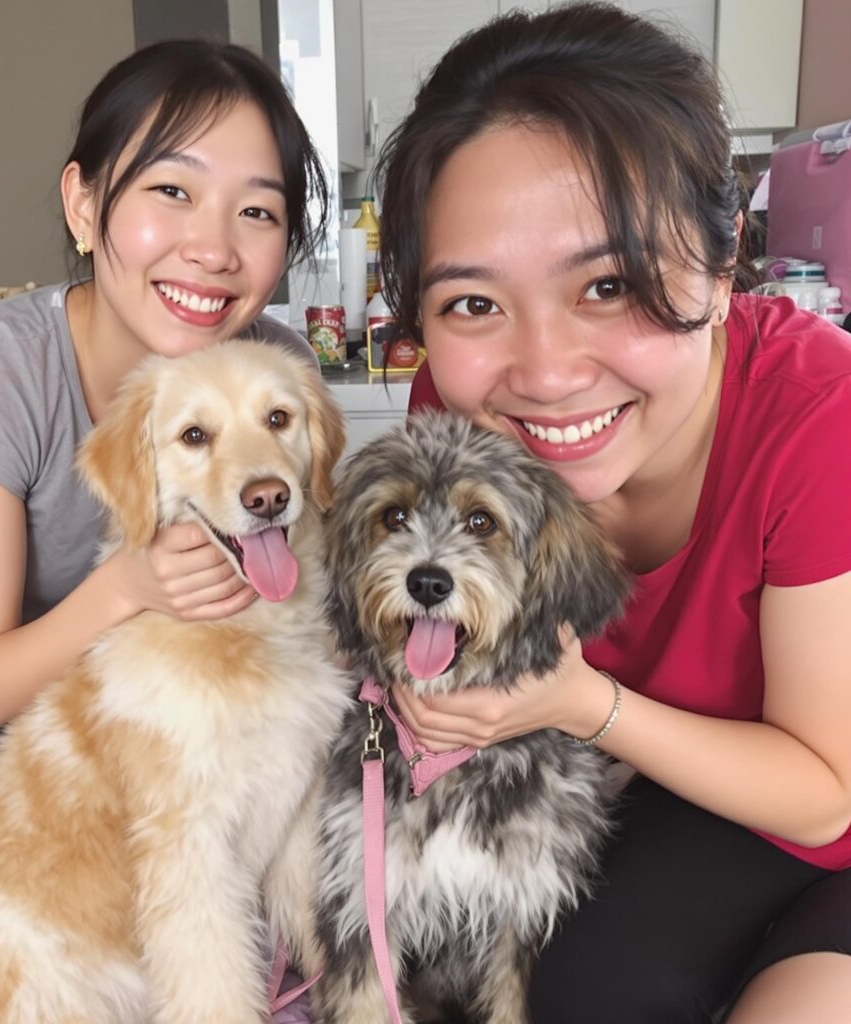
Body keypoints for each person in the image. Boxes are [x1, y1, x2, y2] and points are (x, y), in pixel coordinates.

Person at [374, 4, 851, 1021]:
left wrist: (578, 702)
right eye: (472, 303)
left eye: (608, 283)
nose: (545, 374)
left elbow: (824, 794)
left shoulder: (820, 417)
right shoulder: (457, 412)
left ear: (721, 262)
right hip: (665, 791)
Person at [0, 39, 328, 855]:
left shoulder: (276, 371)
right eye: (172, 190)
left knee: (266, 844)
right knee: (106, 874)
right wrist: (130, 584)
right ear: (83, 203)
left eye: (257, 211)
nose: (214, 249)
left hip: (142, 670)